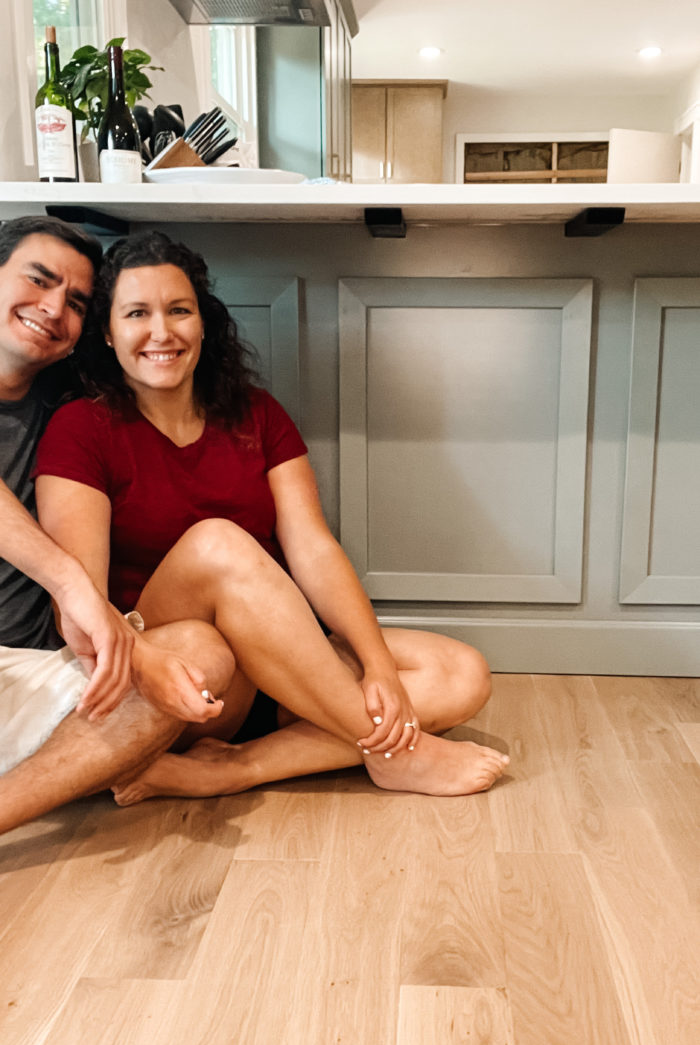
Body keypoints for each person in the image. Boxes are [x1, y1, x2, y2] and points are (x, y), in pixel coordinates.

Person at [35, 230, 509, 804]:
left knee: (461, 673)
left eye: (179, 310)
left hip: (279, 662)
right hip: (179, 675)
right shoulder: (80, 429)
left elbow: (313, 546)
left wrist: (376, 662)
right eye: (137, 313)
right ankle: (393, 753)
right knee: (218, 543)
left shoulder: (256, 413)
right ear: (108, 333)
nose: (162, 332)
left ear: (203, 324)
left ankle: (233, 769)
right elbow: (79, 600)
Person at [0, 216, 238, 835]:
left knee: (199, 654)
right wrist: (74, 586)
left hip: (33, 671)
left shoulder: (67, 403)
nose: (53, 309)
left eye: (76, 302)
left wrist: (132, 647)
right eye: (38, 279)